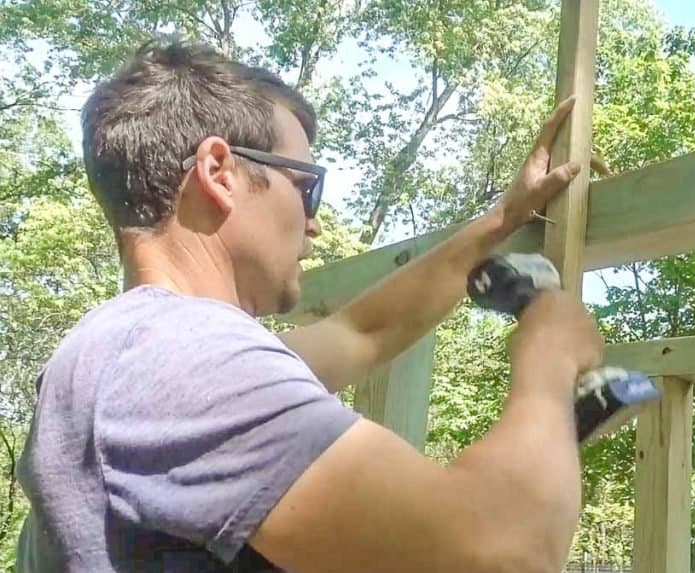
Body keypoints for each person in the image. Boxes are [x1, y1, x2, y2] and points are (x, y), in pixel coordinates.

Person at [14, 39, 605, 572]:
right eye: (306, 185)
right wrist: (548, 362)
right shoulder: (178, 362)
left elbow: (363, 330)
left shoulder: (135, 354)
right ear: (219, 172)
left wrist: (501, 220)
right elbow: (503, 550)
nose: (315, 223)